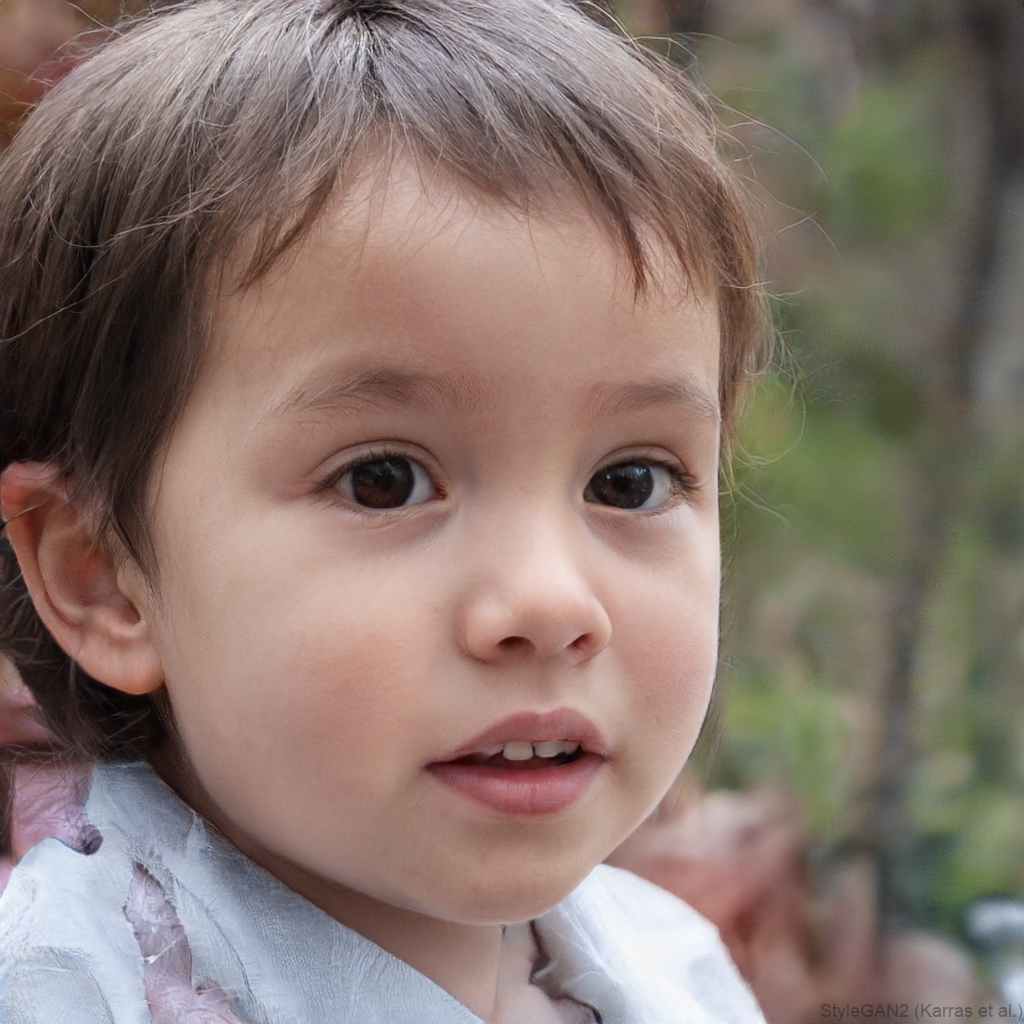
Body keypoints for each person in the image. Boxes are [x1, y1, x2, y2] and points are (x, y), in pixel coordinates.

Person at [0, 1, 771, 1020]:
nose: (547, 601)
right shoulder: (69, 993)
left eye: (627, 480)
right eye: (383, 480)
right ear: (103, 573)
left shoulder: (681, 975)